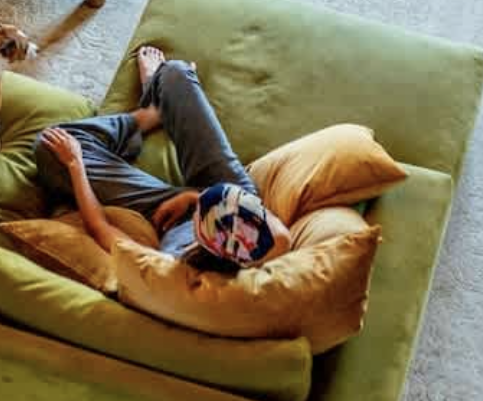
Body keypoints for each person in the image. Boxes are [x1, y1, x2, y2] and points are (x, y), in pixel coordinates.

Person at [34, 45, 291, 270]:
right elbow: (280, 237)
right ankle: (157, 100)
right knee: (175, 73)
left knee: (50, 146)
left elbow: (100, 228)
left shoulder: (169, 269)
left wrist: (75, 164)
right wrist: (193, 197)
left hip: (168, 218)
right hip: (226, 197)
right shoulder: (269, 242)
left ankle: (150, 113)